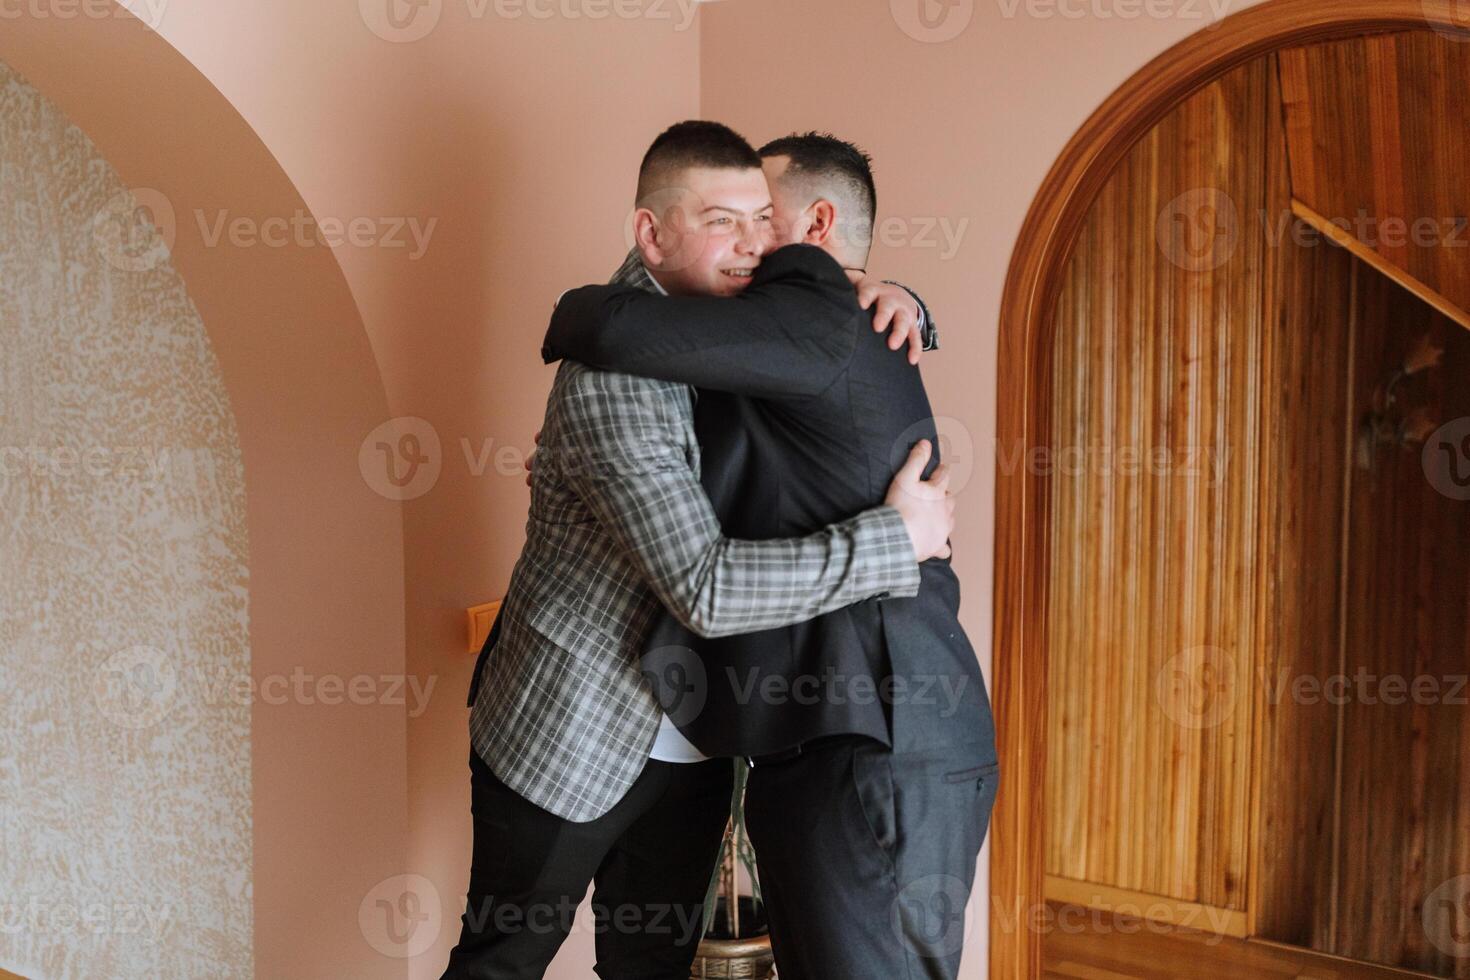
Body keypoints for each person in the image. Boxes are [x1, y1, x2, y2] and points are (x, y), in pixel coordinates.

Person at [444, 121, 949, 980]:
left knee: (650, 968)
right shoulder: (616, 367)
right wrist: (892, 542)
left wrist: (890, 293)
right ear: (653, 234)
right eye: (723, 220)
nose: (753, 246)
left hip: (697, 737)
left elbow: (822, 373)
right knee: (502, 964)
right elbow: (705, 589)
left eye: (762, 219)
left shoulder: (738, 329)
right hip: (573, 725)